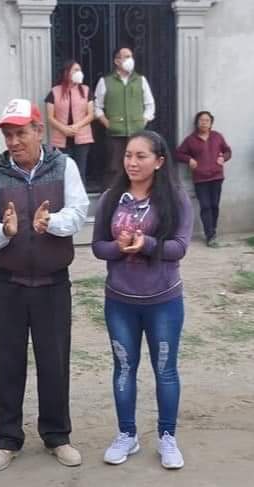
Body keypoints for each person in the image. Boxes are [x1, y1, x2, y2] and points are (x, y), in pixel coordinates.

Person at [0, 98, 89, 472]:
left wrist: (51, 222)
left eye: (20, 133)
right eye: (8, 135)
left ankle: (57, 435)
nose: (13, 142)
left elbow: (78, 212)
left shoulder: (64, 167)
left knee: (54, 361)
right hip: (8, 283)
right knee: (6, 362)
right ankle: (7, 438)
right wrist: (4, 231)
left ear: (39, 131)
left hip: (53, 283)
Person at [91, 130, 193, 470]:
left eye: (141, 156)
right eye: (128, 155)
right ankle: (127, 434)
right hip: (120, 301)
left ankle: (167, 437)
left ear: (159, 161)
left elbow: (180, 246)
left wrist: (146, 244)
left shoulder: (176, 198)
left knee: (165, 370)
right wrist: (119, 247)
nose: (132, 162)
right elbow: (98, 247)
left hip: (164, 301)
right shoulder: (111, 198)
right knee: (124, 368)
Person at [95, 47, 156, 189]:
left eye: (131, 56)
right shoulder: (105, 81)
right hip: (115, 134)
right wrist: (108, 124)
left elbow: (150, 104)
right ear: (117, 61)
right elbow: (97, 106)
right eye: (126, 56)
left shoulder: (140, 80)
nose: (130, 59)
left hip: (137, 134)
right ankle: (112, 196)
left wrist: (143, 121)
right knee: (114, 167)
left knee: (137, 165)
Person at [175, 110, 231, 247]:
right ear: (197, 123)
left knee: (214, 205)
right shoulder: (190, 140)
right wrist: (189, 159)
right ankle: (210, 236)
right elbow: (178, 154)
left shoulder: (217, 136)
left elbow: (228, 151)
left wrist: (223, 158)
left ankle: (213, 231)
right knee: (205, 206)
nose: (204, 123)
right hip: (200, 179)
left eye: (207, 120)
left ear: (211, 123)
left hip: (217, 177)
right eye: (201, 120)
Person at [45, 60, 94, 184]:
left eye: (80, 70)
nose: (79, 73)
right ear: (67, 73)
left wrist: (76, 126)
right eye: (76, 70)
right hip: (61, 139)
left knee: (80, 171)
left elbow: (90, 115)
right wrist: (64, 129)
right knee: (63, 171)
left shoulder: (86, 90)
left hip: (82, 138)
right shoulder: (54, 92)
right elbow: (50, 117)